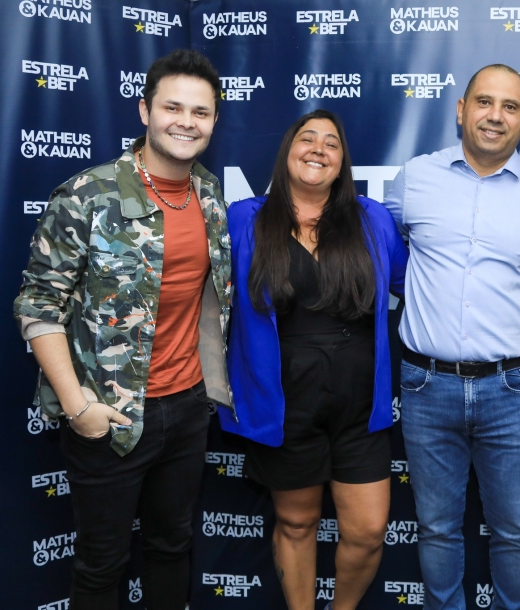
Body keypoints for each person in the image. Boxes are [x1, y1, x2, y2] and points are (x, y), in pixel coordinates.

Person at [13, 49, 232, 610]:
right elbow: (38, 304)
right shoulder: (87, 195)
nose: (186, 121)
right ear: (145, 111)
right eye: (173, 107)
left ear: (213, 121)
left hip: (185, 407)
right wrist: (77, 405)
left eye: (201, 112)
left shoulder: (210, 196)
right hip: (109, 413)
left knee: (171, 547)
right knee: (101, 564)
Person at [383, 64, 520, 610]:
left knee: (516, 529)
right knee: (437, 528)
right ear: (460, 110)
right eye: (484, 102)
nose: (495, 116)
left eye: (510, 107)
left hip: (513, 390)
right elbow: (381, 253)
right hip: (425, 386)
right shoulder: (414, 179)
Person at [219, 109, 408, 610]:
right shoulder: (245, 218)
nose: (319, 149)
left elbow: (415, 287)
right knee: (297, 522)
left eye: (332, 143)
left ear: (343, 162)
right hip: (284, 402)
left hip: (359, 404)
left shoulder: (372, 220)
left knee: (368, 531)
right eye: (308, 139)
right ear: (287, 151)